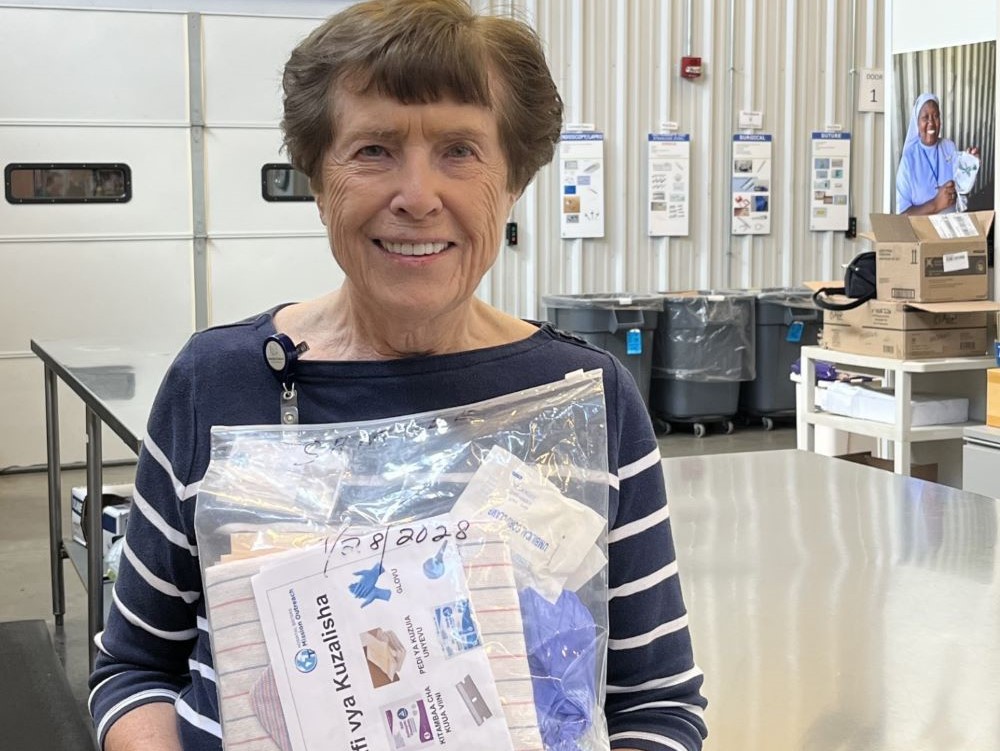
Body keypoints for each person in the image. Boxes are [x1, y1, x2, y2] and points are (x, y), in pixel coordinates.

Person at [89, 2, 707, 749]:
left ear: (512, 183)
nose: (417, 196)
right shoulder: (216, 383)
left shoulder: (586, 399)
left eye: (459, 150)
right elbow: (131, 669)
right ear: (319, 181)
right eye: (375, 149)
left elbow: (658, 707)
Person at [895, 92, 979, 215]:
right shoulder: (909, 159)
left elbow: (961, 189)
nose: (931, 123)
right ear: (917, 123)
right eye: (925, 117)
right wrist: (935, 204)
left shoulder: (949, 147)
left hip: (951, 227)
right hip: (921, 232)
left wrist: (969, 164)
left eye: (936, 116)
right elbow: (902, 216)